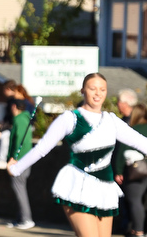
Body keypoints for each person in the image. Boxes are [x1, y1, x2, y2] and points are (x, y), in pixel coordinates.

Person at [8, 73, 147, 237]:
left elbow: (142, 142)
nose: (98, 93)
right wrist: (16, 168)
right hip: (78, 185)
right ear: (83, 90)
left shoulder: (112, 121)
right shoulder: (70, 118)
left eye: (102, 89)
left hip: (105, 188)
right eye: (92, 88)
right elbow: (42, 148)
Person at [114, 103, 147, 236]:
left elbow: (122, 151)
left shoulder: (132, 129)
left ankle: (139, 230)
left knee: (134, 200)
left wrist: (118, 171)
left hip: (136, 170)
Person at [5, 99, 34, 230]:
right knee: (19, 188)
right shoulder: (24, 118)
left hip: (20, 161)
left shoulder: (19, 119)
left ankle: (26, 219)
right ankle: (20, 218)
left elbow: (19, 141)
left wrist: (14, 158)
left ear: (14, 106)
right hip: (23, 160)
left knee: (19, 188)